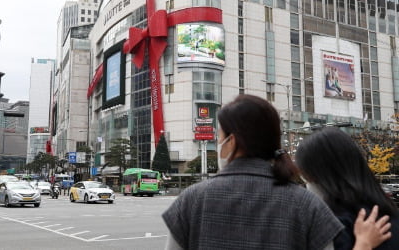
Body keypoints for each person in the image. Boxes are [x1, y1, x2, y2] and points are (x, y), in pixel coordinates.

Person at [163, 94, 387, 250]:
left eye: (219, 137)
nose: (218, 142)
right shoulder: (308, 205)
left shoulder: (191, 200)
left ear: (231, 142)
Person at [296, 127, 399, 249]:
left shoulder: (333, 223)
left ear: (322, 175)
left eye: (307, 176)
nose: (308, 182)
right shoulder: (388, 212)